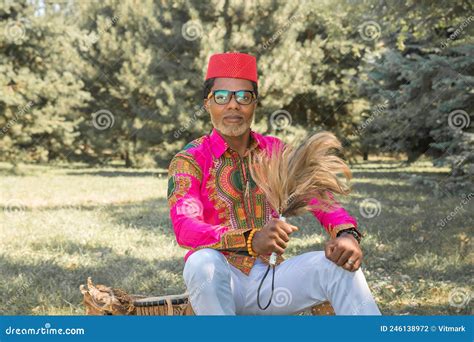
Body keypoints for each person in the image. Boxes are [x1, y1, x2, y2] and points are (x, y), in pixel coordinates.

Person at [167, 52, 381, 315]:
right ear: (207, 104)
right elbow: (185, 228)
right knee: (201, 263)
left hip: (273, 282)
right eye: (221, 96)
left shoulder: (276, 152)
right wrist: (250, 239)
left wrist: (346, 235)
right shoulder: (189, 160)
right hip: (220, 283)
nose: (233, 105)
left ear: (255, 103)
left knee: (338, 269)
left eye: (244, 97)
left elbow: (319, 197)